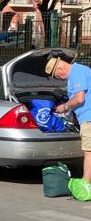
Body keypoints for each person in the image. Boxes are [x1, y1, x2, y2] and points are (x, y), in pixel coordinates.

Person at [46, 55, 91, 186]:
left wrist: (64, 107)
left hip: (89, 117)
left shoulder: (77, 72)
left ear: (60, 69)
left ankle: (85, 185)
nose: (59, 79)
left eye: (57, 76)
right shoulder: (80, 71)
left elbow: (79, 99)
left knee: (89, 152)